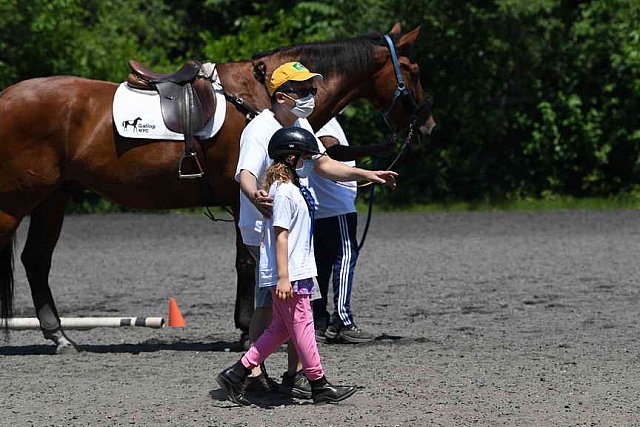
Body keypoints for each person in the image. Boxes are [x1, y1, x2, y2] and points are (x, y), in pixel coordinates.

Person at [232, 61, 398, 397]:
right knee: (272, 307)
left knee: (293, 308)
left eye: (312, 88)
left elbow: (323, 164)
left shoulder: (302, 123)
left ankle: (289, 377)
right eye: (303, 89)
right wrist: (254, 194)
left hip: (293, 232)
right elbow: (245, 173)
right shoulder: (259, 129)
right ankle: (253, 375)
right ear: (281, 96)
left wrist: (367, 174)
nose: (311, 94)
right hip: (264, 232)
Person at [309, 116, 393, 343]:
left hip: (320, 206)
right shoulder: (324, 120)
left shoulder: (314, 119)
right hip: (335, 205)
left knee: (321, 264)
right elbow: (334, 152)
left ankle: (318, 320)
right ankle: (342, 320)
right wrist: (373, 150)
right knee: (345, 257)